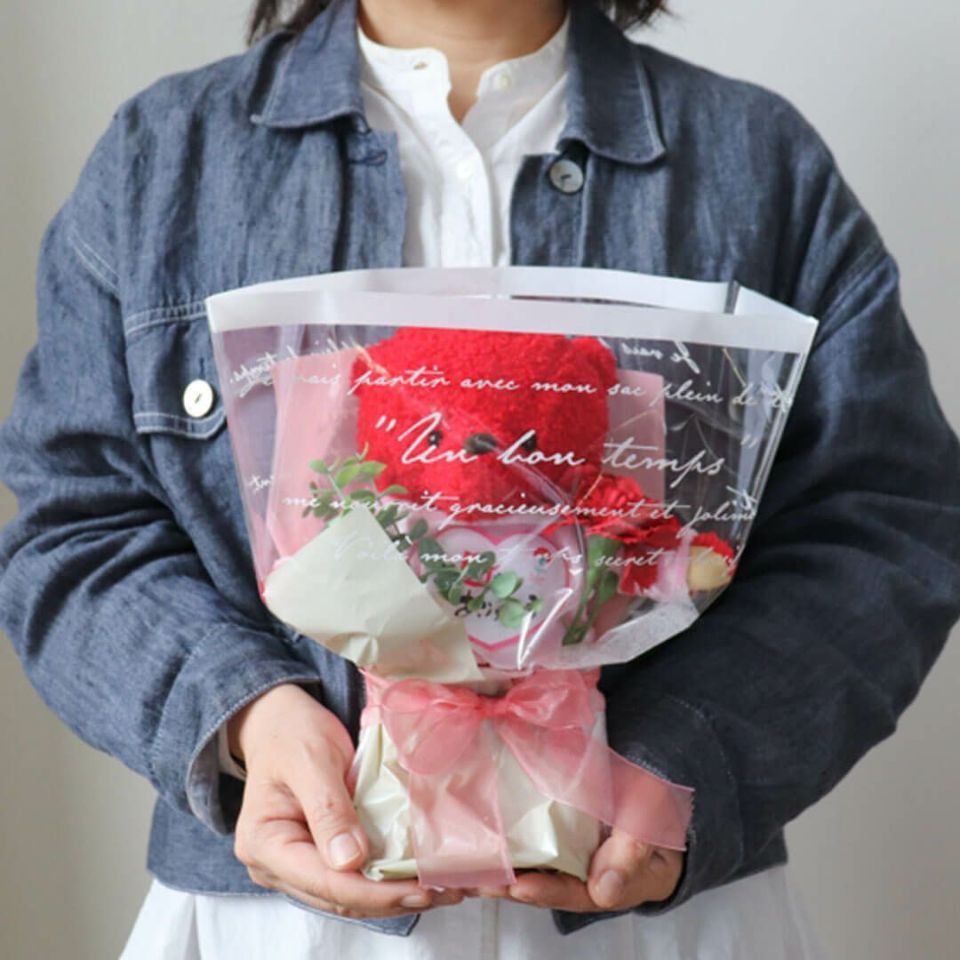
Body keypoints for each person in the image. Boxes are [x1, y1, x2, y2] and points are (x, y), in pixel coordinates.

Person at [1, 0, 958, 957]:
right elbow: (72, 529)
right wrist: (245, 714)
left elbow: (885, 528)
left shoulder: (756, 160)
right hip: (274, 930)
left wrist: (690, 756)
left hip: (657, 930)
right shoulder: (163, 158)